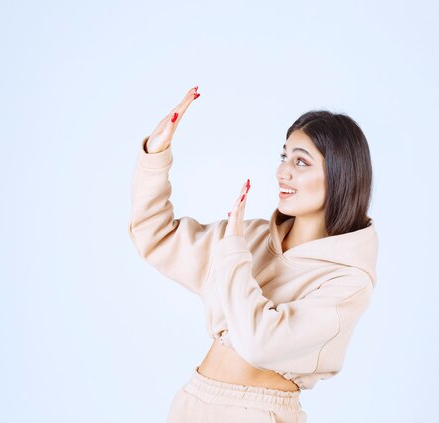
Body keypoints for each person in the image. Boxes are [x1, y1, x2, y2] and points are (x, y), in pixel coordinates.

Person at [128, 86, 378, 422]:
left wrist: (233, 252)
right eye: (284, 156)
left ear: (339, 175)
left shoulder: (348, 280)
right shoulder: (251, 235)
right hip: (192, 404)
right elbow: (155, 236)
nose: (282, 171)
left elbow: (260, 343)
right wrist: (155, 159)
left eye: (301, 161)